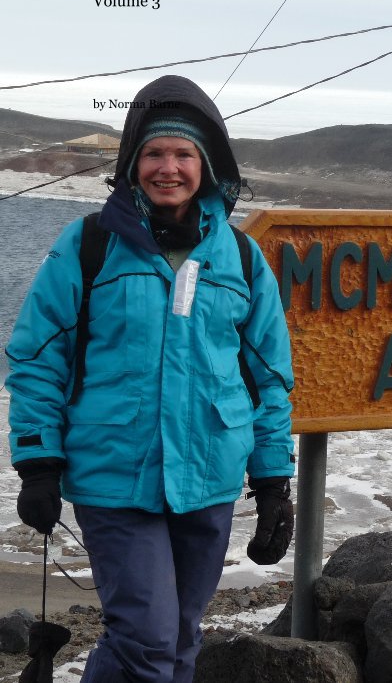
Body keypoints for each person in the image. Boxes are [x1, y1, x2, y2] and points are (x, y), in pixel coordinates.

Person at [5, 75, 296, 683]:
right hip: (114, 476)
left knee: (182, 636)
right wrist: (38, 463)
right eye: (154, 154)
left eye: (184, 154)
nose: (170, 168)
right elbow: (37, 359)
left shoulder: (240, 258)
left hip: (210, 476)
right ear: (132, 163)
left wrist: (272, 481)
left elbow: (268, 375)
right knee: (146, 638)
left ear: (207, 164)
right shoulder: (87, 244)